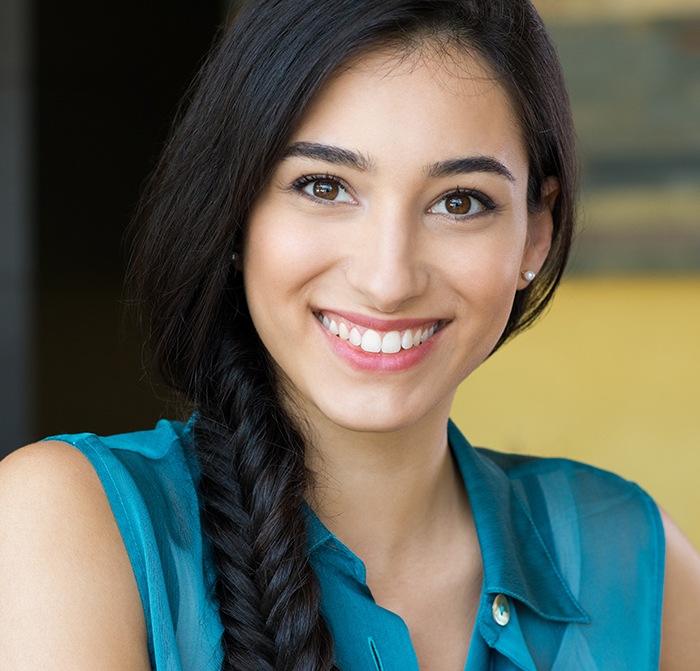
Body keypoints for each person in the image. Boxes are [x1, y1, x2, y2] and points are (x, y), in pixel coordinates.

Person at [1, 0, 699, 669]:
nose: (388, 277)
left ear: (535, 234)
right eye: (325, 187)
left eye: (460, 202)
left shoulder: (633, 558)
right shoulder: (70, 525)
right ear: (236, 211)